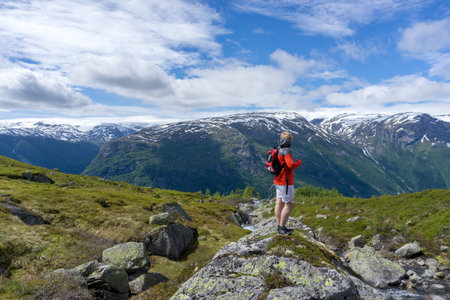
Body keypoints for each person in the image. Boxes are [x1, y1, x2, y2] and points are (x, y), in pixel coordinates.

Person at [274, 131, 302, 235]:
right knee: (289, 204)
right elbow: (290, 165)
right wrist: (298, 162)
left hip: (278, 180)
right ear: (289, 140)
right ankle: (282, 228)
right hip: (285, 182)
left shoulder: (277, 149)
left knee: (279, 202)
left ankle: (279, 226)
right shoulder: (286, 151)